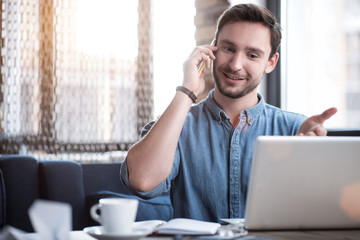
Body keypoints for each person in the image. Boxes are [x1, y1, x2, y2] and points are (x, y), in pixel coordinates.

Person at [120, 3, 337, 222]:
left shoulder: (295, 129)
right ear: (212, 48)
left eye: (252, 55)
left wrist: (316, 155)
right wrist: (186, 91)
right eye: (228, 49)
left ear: (270, 63)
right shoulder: (177, 124)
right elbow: (142, 180)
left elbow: (326, 211)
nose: (235, 65)